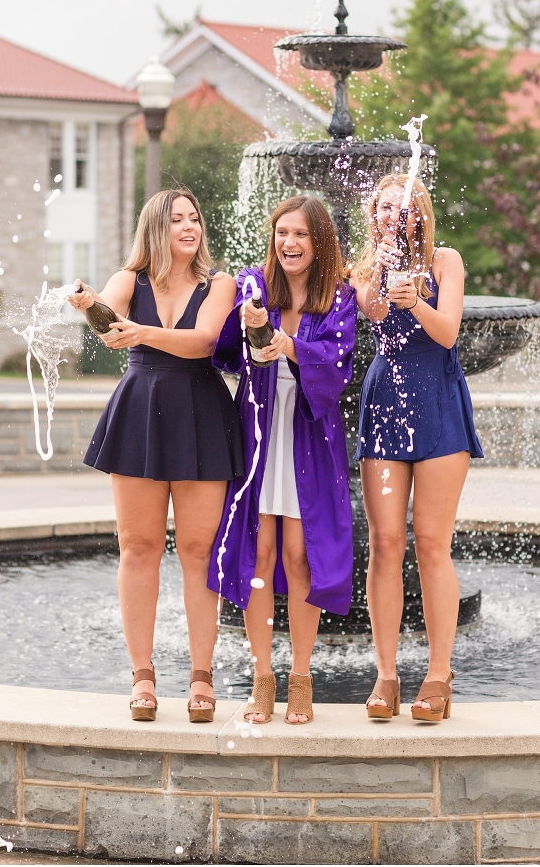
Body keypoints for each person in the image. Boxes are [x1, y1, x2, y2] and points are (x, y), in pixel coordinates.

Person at [69, 187, 244, 724]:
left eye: (194, 218)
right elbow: (108, 323)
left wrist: (142, 331)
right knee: (138, 547)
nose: (189, 227)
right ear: (155, 229)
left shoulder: (220, 284)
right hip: (140, 409)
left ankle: (201, 677)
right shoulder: (130, 279)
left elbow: (204, 341)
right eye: (176, 220)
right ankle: (142, 677)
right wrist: (89, 305)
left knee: (197, 550)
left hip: (201, 410)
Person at [208, 196, 356, 725]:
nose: (289, 243)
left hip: (308, 434)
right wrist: (246, 323)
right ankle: (261, 676)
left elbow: (336, 367)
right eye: (282, 233)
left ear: (319, 243)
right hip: (261, 431)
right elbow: (228, 354)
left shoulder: (338, 297)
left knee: (300, 556)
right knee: (259, 553)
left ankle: (301, 678)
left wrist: (287, 344)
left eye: (300, 234)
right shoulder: (254, 286)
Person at [350, 175, 483, 723]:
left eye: (401, 207)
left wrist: (419, 300)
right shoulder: (365, 268)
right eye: (383, 208)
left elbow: (448, 333)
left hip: (438, 401)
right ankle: (386, 675)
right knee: (385, 543)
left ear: (419, 212)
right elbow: (376, 313)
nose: (393, 215)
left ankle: (438, 676)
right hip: (387, 403)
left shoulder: (445, 261)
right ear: (374, 215)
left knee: (431, 542)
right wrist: (385, 280)